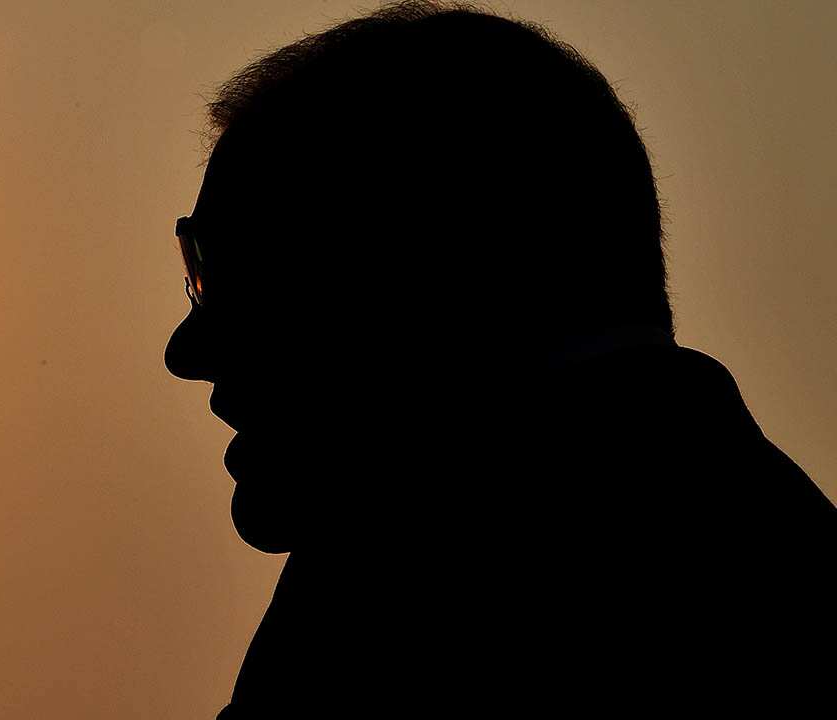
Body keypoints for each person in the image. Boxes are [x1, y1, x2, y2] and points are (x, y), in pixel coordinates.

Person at [163, 1, 835, 716]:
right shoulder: (397, 561)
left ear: (434, 268)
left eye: (237, 275)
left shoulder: (424, 599)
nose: (188, 352)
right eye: (199, 274)